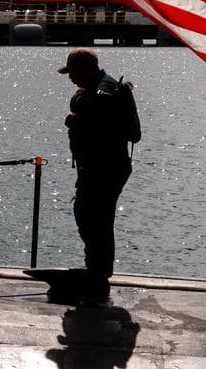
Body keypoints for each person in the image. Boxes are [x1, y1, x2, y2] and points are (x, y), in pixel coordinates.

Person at [58, 47, 136, 305]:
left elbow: (109, 130)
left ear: (86, 68)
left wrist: (76, 122)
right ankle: (96, 270)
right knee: (91, 217)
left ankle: (98, 275)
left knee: (97, 220)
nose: (70, 79)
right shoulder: (99, 90)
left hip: (105, 169)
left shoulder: (105, 92)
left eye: (73, 73)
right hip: (95, 167)